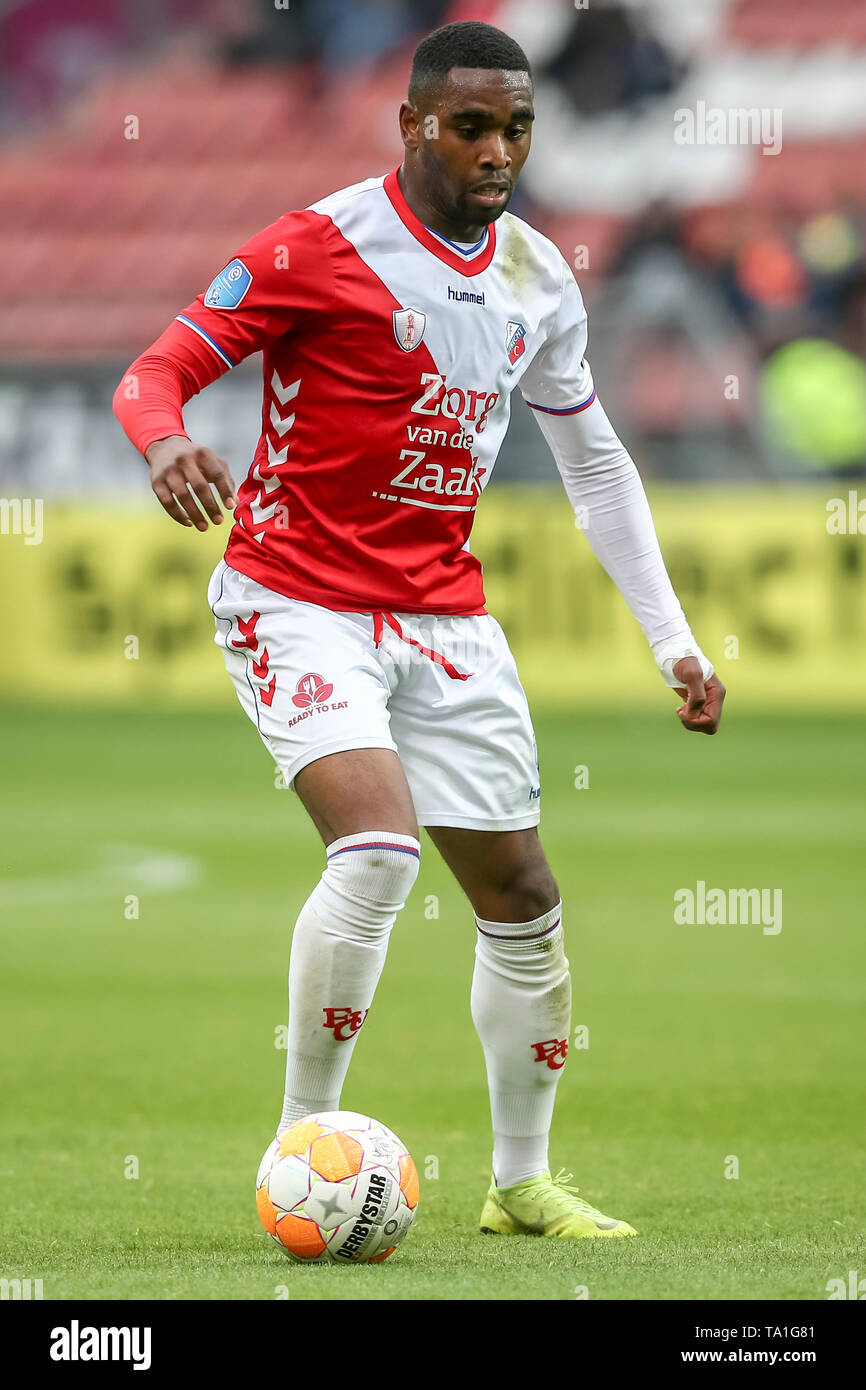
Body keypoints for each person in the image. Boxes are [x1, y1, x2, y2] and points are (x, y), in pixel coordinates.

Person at [114, 19, 725, 1244]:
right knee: (379, 853)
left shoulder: (537, 278)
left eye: (516, 127)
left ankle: (520, 1181)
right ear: (412, 125)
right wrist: (167, 440)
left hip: (440, 612)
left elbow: (594, 463)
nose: (497, 150)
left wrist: (671, 639)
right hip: (294, 595)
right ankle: (303, 1144)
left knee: (523, 895)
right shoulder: (317, 243)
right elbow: (154, 372)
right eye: (471, 126)